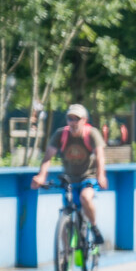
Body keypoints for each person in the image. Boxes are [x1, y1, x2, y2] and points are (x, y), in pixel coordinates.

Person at [32, 104, 107, 248]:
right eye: (70, 119)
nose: (73, 123)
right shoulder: (61, 134)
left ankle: (94, 227)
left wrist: (101, 175)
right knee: (66, 214)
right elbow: (48, 157)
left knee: (85, 197)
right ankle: (65, 256)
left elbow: (100, 157)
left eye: (76, 119)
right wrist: (41, 176)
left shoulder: (92, 134)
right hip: (69, 179)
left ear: (84, 120)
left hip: (88, 177)